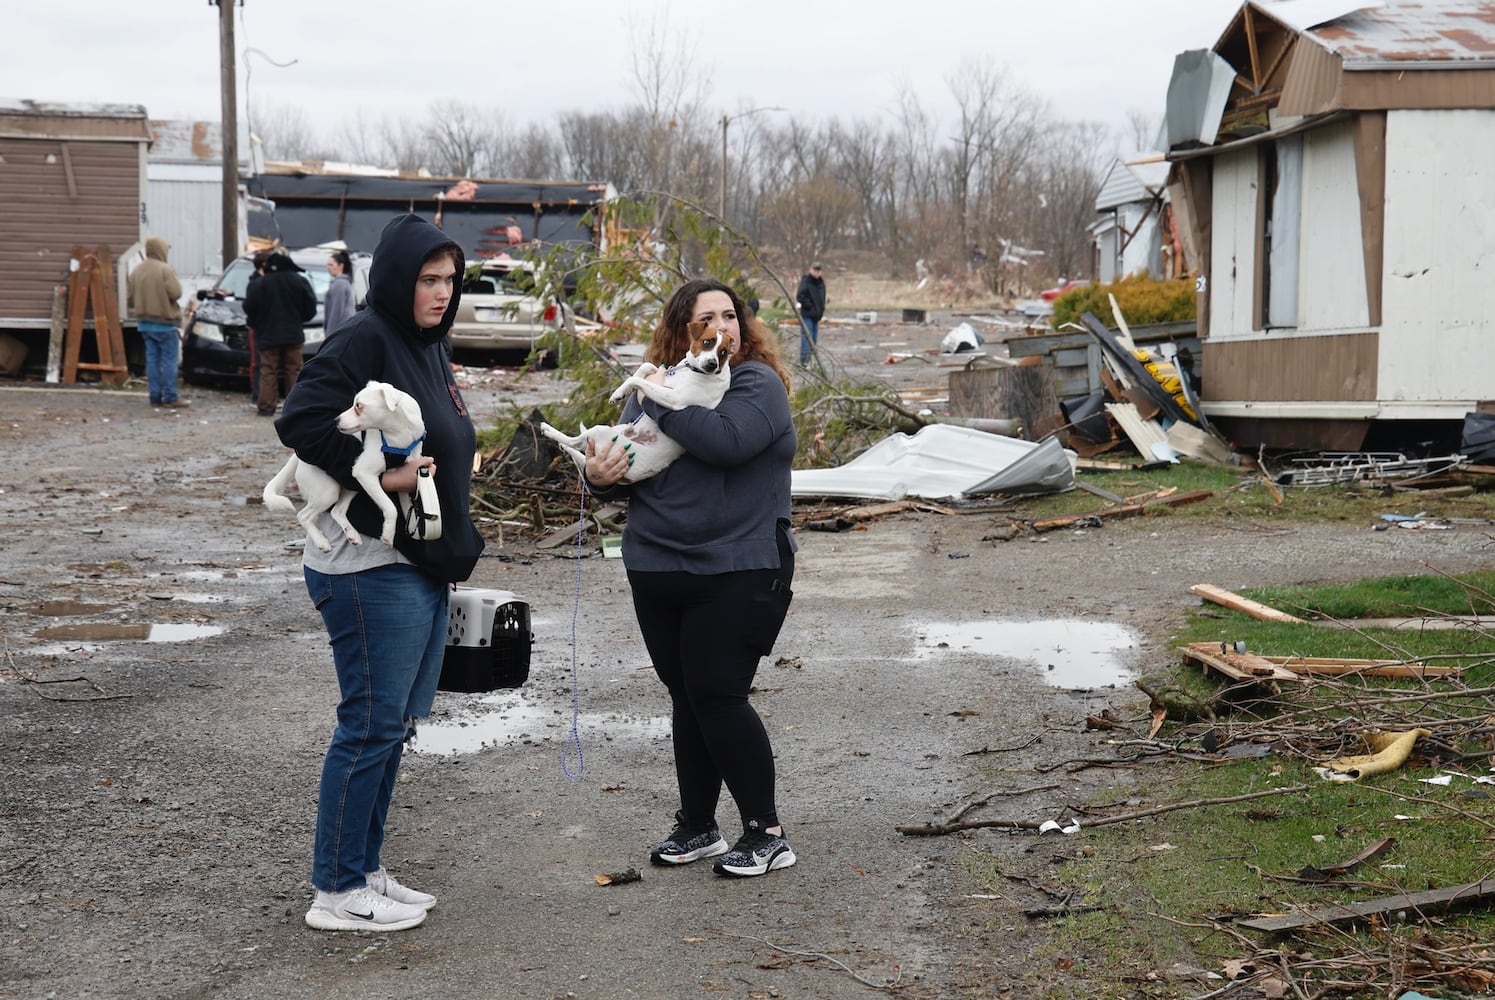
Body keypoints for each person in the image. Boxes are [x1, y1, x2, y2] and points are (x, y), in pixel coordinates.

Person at [273, 213, 486, 932]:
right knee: (368, 726)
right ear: (396, 279)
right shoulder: (364, 337)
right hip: (365, 565)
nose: (441, 292)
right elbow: (300, 420)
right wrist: (388, 477)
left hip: (415, 560)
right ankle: (334, 891)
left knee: (392, 727)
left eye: (450, 280)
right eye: (428, 279)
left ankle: (363, 869)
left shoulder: (426, 344)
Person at [584, 278, 800, 878]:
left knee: (718, 695)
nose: (723, 326)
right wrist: (599, 476)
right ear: (685, 332)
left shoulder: (755, 384)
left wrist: (655, 396)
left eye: (731, 315)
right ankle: (699, 824)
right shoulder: (660, 387)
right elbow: (627, 455)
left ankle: (766, 832)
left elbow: (726, 442)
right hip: (657, 566)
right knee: (688, 699)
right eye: (707, 317)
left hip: (739, 568)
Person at [244, 251, 316, 417]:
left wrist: (259, 324)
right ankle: (296, 406)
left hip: (267, 335)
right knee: (295, 369)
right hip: (293, 334)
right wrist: (299, 319)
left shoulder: (260, 283)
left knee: (268, 370)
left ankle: (266, 406)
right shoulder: (300, 281)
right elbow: (310, 308)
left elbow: (249, 308)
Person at [127, 236, 188, 408]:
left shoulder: (137, 271)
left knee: (152, 361)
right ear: (161, 249)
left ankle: (154, 396)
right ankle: (170, 397)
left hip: (145, 323)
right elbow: (176, 293)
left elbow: (130, 299)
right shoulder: (165, 269)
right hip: (166, 323)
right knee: (169, 361)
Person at [794, 262, 826, 365]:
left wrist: (821, 310)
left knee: (814, 340)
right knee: (807, 338)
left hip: (816, 316)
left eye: (818, 270)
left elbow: (822, 299)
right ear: (810, 270)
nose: (817, 272)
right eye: (815, 270)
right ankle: (804, 361)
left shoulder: (821, 283)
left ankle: (811, 361)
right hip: (807, 314)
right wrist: (810, 306)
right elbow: (800, 296)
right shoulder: (806, 281)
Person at [323, 249, 357, 335]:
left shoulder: (340, 284)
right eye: (327, 265)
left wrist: (330, 335)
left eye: (331, 265)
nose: (328, 267)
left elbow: (336, 311)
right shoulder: (343, 282)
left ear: (340, 266)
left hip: (340, 331)